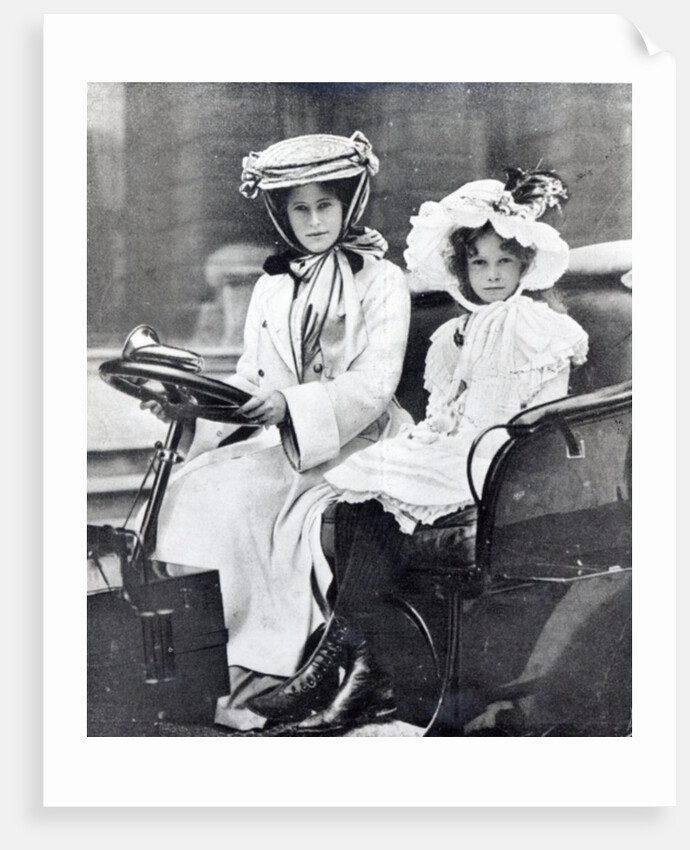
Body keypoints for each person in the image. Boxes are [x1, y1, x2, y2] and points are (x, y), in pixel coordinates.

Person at [248, 168, 590, 733]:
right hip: (459, 445)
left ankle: (331, 674)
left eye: (505, 262)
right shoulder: (457, 332)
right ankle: (354, 669)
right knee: (359, 494)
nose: (492, 275)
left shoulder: (538, 325)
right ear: (462, 268)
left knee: (382, 489)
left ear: (525, 266)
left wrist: (475, 441)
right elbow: (448, 409)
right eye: (479, 263)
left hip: (509, 457)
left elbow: (539, 415)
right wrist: (432, 434)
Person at [146, 131, 411, 731]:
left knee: (239, 499)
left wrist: (292, 407)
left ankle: (273, 673)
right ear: (281, 214)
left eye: (325, 205)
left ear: (349, 204)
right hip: (285, 438)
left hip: (357, 438)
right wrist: (196, 407)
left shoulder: (381, 279)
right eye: (300, 208)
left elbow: (374, 384)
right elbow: (250, 375)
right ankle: (211, 672)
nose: (314, 221)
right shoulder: (271, 284)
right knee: (194, 488)